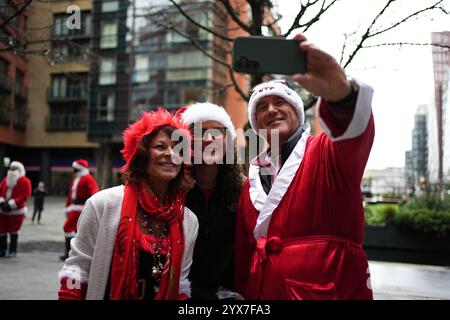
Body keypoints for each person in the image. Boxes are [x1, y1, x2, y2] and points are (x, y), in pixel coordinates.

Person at [234, 33, 375, 300]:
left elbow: (352, 135)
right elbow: (244, 251)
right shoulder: (250, 180)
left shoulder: (327, 152)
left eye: (280, 102)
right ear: (256, 124)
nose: (271, 110)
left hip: (330, 289)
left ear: (298, 111)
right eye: (261, 107)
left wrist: (341, 97)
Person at [57, 108, 198, 300]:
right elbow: (75, 271)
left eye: (177, 148)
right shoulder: (102, 205)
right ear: (141, 154)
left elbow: (181, 287)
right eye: (160, 146)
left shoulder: (188, 221)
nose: (170, 153)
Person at [179, 102, 245, 299]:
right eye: (199, 131)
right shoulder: (170, 191)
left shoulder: (245, 192)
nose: (209, 139)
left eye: (218, 131)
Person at [60, 159, 99, 261]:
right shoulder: (76, 179)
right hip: (74, 207)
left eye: (75, 169)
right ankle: (72, 252)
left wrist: (91, 207)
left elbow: (94, 193)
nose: (73, 171)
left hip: (81, 207)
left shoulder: (88, 179)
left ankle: (70, 252)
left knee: (68, 227)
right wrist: (67, 206)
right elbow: (70, 195)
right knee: (76, 229)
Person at [0, 161, 32, 257]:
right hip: (2, 210)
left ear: (20, 170)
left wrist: (12, 203)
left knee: (14, 231)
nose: (11, 171)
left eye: (14, 169)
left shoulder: (25, 181)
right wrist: (1, 201)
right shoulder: (5, 180)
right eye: (10, 168)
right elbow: (0, 191)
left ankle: (12, 250)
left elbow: (25, 195)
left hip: (17, 211)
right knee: (1, 230)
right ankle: (2, 249)